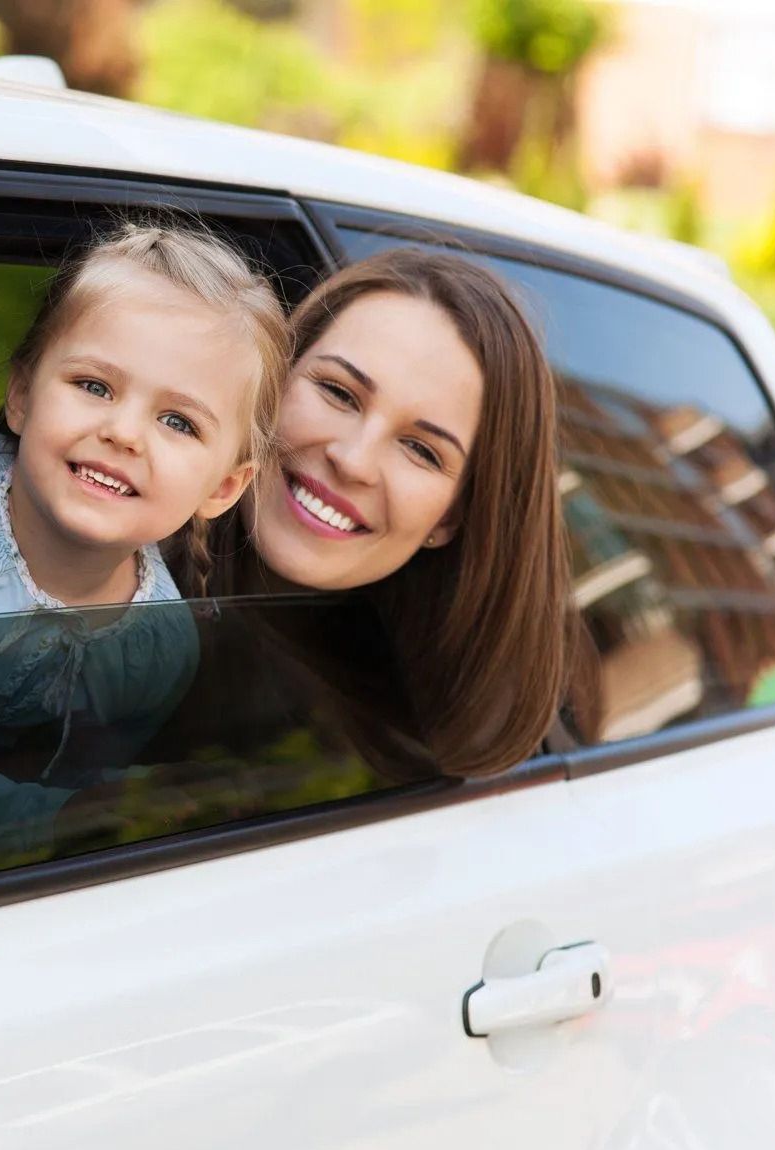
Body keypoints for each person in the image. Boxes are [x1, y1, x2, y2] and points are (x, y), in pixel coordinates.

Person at [0, 221, 290, 861]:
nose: (123, 432)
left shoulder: (159, 649)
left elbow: (75, 801)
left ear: (224, 488)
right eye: (94, 386)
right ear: (21, 395)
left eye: (177, 421)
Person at [171, 247, 578, 777]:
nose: (353, 460)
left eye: (422, 450)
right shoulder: (97, 554)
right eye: (339, 392)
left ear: (451, 519)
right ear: (272, 377)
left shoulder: (406, 756)